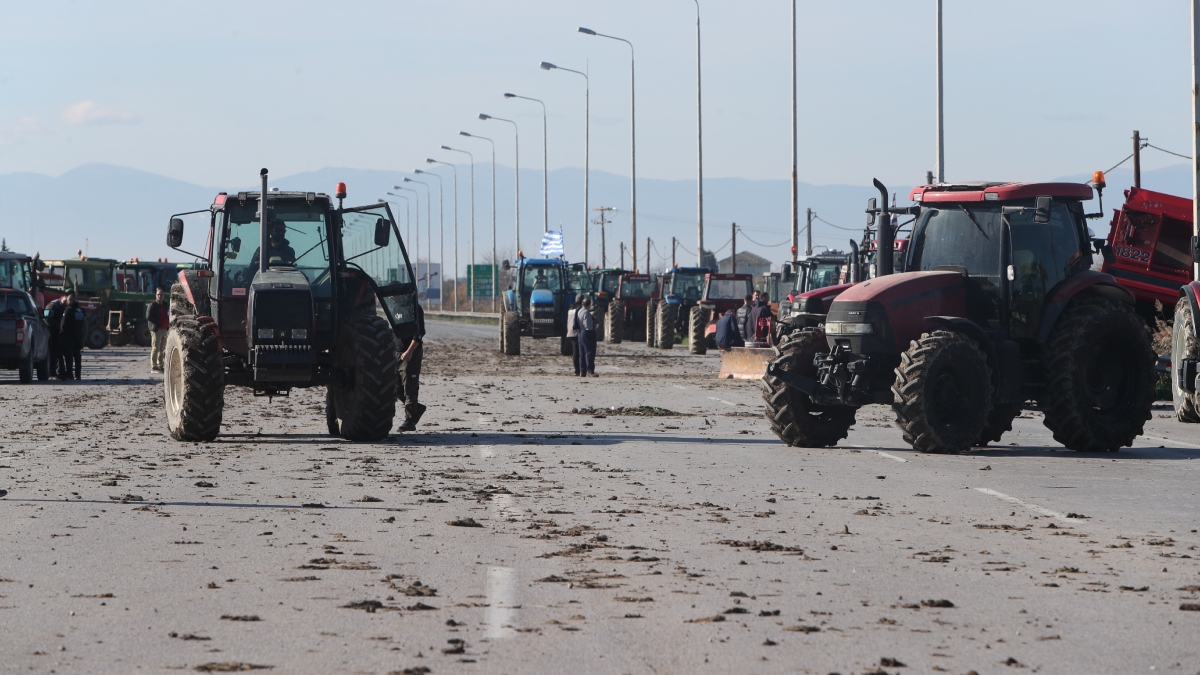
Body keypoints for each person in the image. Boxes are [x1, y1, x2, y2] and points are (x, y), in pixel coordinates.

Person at [396, 301, 426, 432]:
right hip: (396, 353)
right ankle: (416, 408)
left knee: (410, 386)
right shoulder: (395, 308)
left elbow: (419, 333)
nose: (391, 298)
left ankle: (410, 420)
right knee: (396, 387)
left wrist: (409, 352)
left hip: (411, 353)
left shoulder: (414, 308)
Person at [59, 291, 86, 380]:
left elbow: (63, 324)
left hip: (68, 337)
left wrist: (61, 335)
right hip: (78, 336)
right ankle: (78, 374)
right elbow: (85, 324)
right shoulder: (81, 310)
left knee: (69, 357)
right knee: (77, 356)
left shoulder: (68, 310)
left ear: (69, 301)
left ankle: (70, 374)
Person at [146, 287, 170, 373]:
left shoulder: (166, 305)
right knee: (155, 348)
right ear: (156, 295)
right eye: (158, 294)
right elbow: (148, 317)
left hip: (165, 329)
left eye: (161, 294)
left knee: (162, 348)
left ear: (164, 296)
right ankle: (154, 366)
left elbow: (169, 314)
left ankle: (160, 365)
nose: (160, 296)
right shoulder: (152, 305)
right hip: (156, 329)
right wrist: (158, 323)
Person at [44, 294, 67, 379]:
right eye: (64, 301)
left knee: (59, 352)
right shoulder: (52, 306)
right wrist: (57, 325)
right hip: (51, 331)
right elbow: (46, 318)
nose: (65, 303)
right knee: (53, 351)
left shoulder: (64, 307)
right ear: (61, 298)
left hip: (59, 332)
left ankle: (59, 371)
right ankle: (52, 371)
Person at [574, 296, 597, 377]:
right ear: (589, 305)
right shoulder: (586, 313)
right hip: (587, 333)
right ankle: (590, 371)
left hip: (580, 333)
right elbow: (589, 326)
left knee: (582, 353)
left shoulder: (579, 311)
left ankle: (582, 371)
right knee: (589, 352)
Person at [565, 296, 582, 376]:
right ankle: (579, 369)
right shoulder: (579, 310)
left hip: (570, 332)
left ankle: (577, 370)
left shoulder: (570, 309)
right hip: (577, 332)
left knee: (575, 352)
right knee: (580, 352)